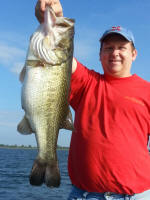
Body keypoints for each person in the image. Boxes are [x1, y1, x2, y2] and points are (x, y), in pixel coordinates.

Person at [35, 1, 150, 199]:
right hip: (85, 195)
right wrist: (53, 22)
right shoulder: (88, 83)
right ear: (100, 55)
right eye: (108, 48)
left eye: (122, 47)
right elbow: (61, 55)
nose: (114, 53)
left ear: (134, 54)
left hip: (137, 195)